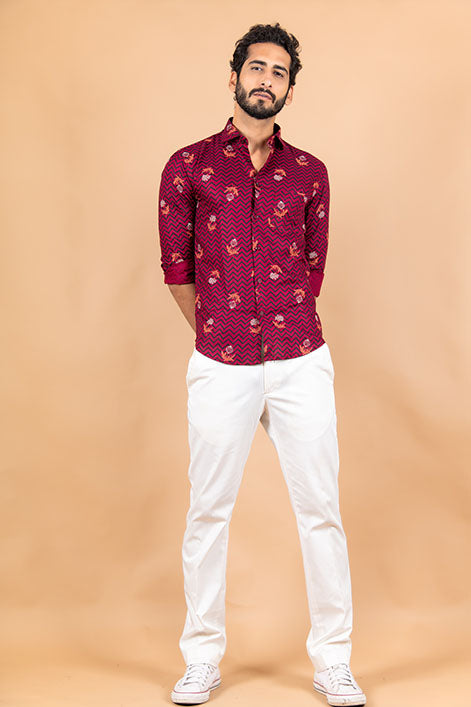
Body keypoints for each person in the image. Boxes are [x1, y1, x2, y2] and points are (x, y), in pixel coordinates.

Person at [158, 21, 367, 707]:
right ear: (234, 76)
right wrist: (220, 333)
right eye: (256, 67)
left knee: (321, 510)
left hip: (301, 358)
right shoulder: (187, 167)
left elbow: (313, 267)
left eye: (279, 72)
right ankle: (201, 659)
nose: (265, 79)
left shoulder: (310, 173)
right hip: (220, 362)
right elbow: (178, 270)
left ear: (289, 90)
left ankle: (333, 660)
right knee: (207, 512)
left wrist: (276, 333)